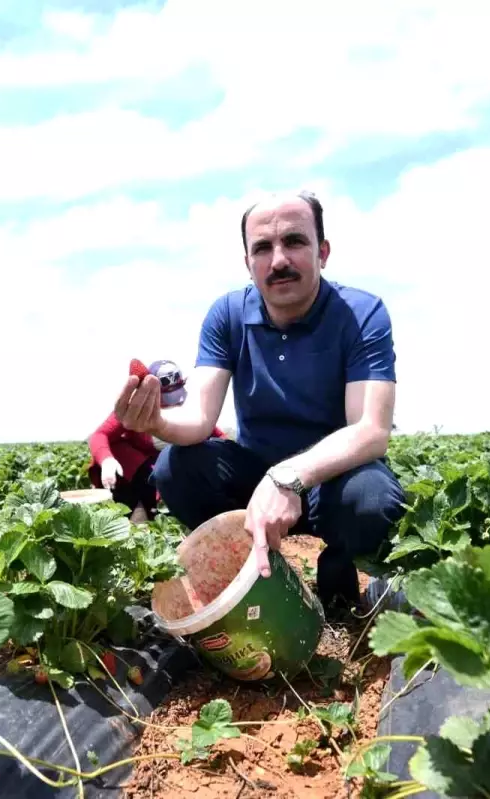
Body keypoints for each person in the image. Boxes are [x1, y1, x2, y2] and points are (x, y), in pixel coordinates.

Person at [114, 191, 406, 616]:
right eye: (263, 248)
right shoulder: (228, 314)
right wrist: (154, 420)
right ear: (248, 262)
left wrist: (288, 478)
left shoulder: (361, 312)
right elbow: (197, 419)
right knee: (175, 467)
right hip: (253, 481)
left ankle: (340, 582)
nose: (279, 260)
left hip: (333, 479)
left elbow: (371, 430)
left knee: (372, 497)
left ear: (323, 252)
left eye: (295, 242)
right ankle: (248, 574)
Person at [88, 360, 226, 523]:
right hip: (140, 470)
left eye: (176, 397)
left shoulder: (189, 410)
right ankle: (138, 512)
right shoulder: (137, 409)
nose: (172, 404)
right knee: (137, 470)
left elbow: (218, 436)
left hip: (173, 466)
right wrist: (107, 460)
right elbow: (100, 435)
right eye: (165, 399)